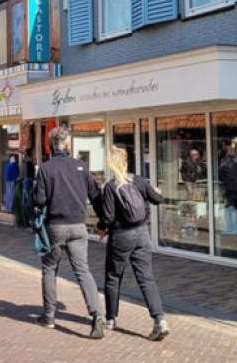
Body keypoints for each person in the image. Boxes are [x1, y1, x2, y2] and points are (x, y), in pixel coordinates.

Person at [32, 126, 106, 338]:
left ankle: (49, 316)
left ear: (51, 145)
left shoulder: (46, 169)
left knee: (49, 269)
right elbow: (96, 196)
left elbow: (39, 200)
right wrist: (103, 222)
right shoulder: (81, 166)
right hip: (78, 225)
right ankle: (97, 314)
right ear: (67, 144)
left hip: (55, 226)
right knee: (83, 270)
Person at [96, 146, 170, 341]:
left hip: (121, 236)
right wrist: (157, 191)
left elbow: (109, 217)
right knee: (146, 278)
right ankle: (159, 320)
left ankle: (111, 318)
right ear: (126, 162)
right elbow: (157, 199)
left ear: (111, 166)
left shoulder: (111, 187)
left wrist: (100, 227)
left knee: (113, 276)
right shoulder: (138, 180)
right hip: (142, 234)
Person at [218, 147, 237, 235]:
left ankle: (229, 229)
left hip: (228, 189)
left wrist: (225, 185)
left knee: (228, 209)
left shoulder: (223, 163)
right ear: (234, 153)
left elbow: (220, 176)